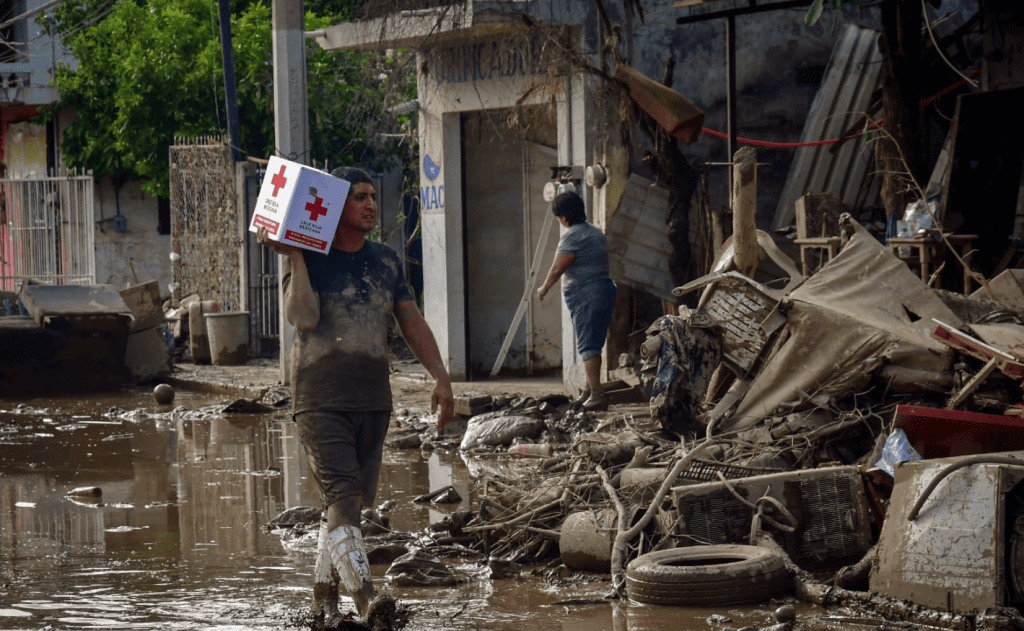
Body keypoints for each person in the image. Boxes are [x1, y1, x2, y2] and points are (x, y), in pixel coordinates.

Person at [258, 166, 454, 626]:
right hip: (320, 398)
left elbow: (411, 322)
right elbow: (303, 319)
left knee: (350, 504)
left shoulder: (386, 260)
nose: (370, 204)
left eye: (371, 196)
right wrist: (296, 258)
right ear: (333, 208)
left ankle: (323, 603)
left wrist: (441, 377)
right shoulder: (310, 256)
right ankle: (368, 600)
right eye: (359, 198)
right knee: (344, 498)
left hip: (373, 398)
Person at [536, 190, 617, 411]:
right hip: (603, 291)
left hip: (585, 294)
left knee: (588, 345)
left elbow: (557, 268)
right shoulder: (596, 233)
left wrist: (544, 288)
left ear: (563, 217)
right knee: (594, 342)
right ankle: (591, 390)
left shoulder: (572, 236)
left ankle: (597, 395)